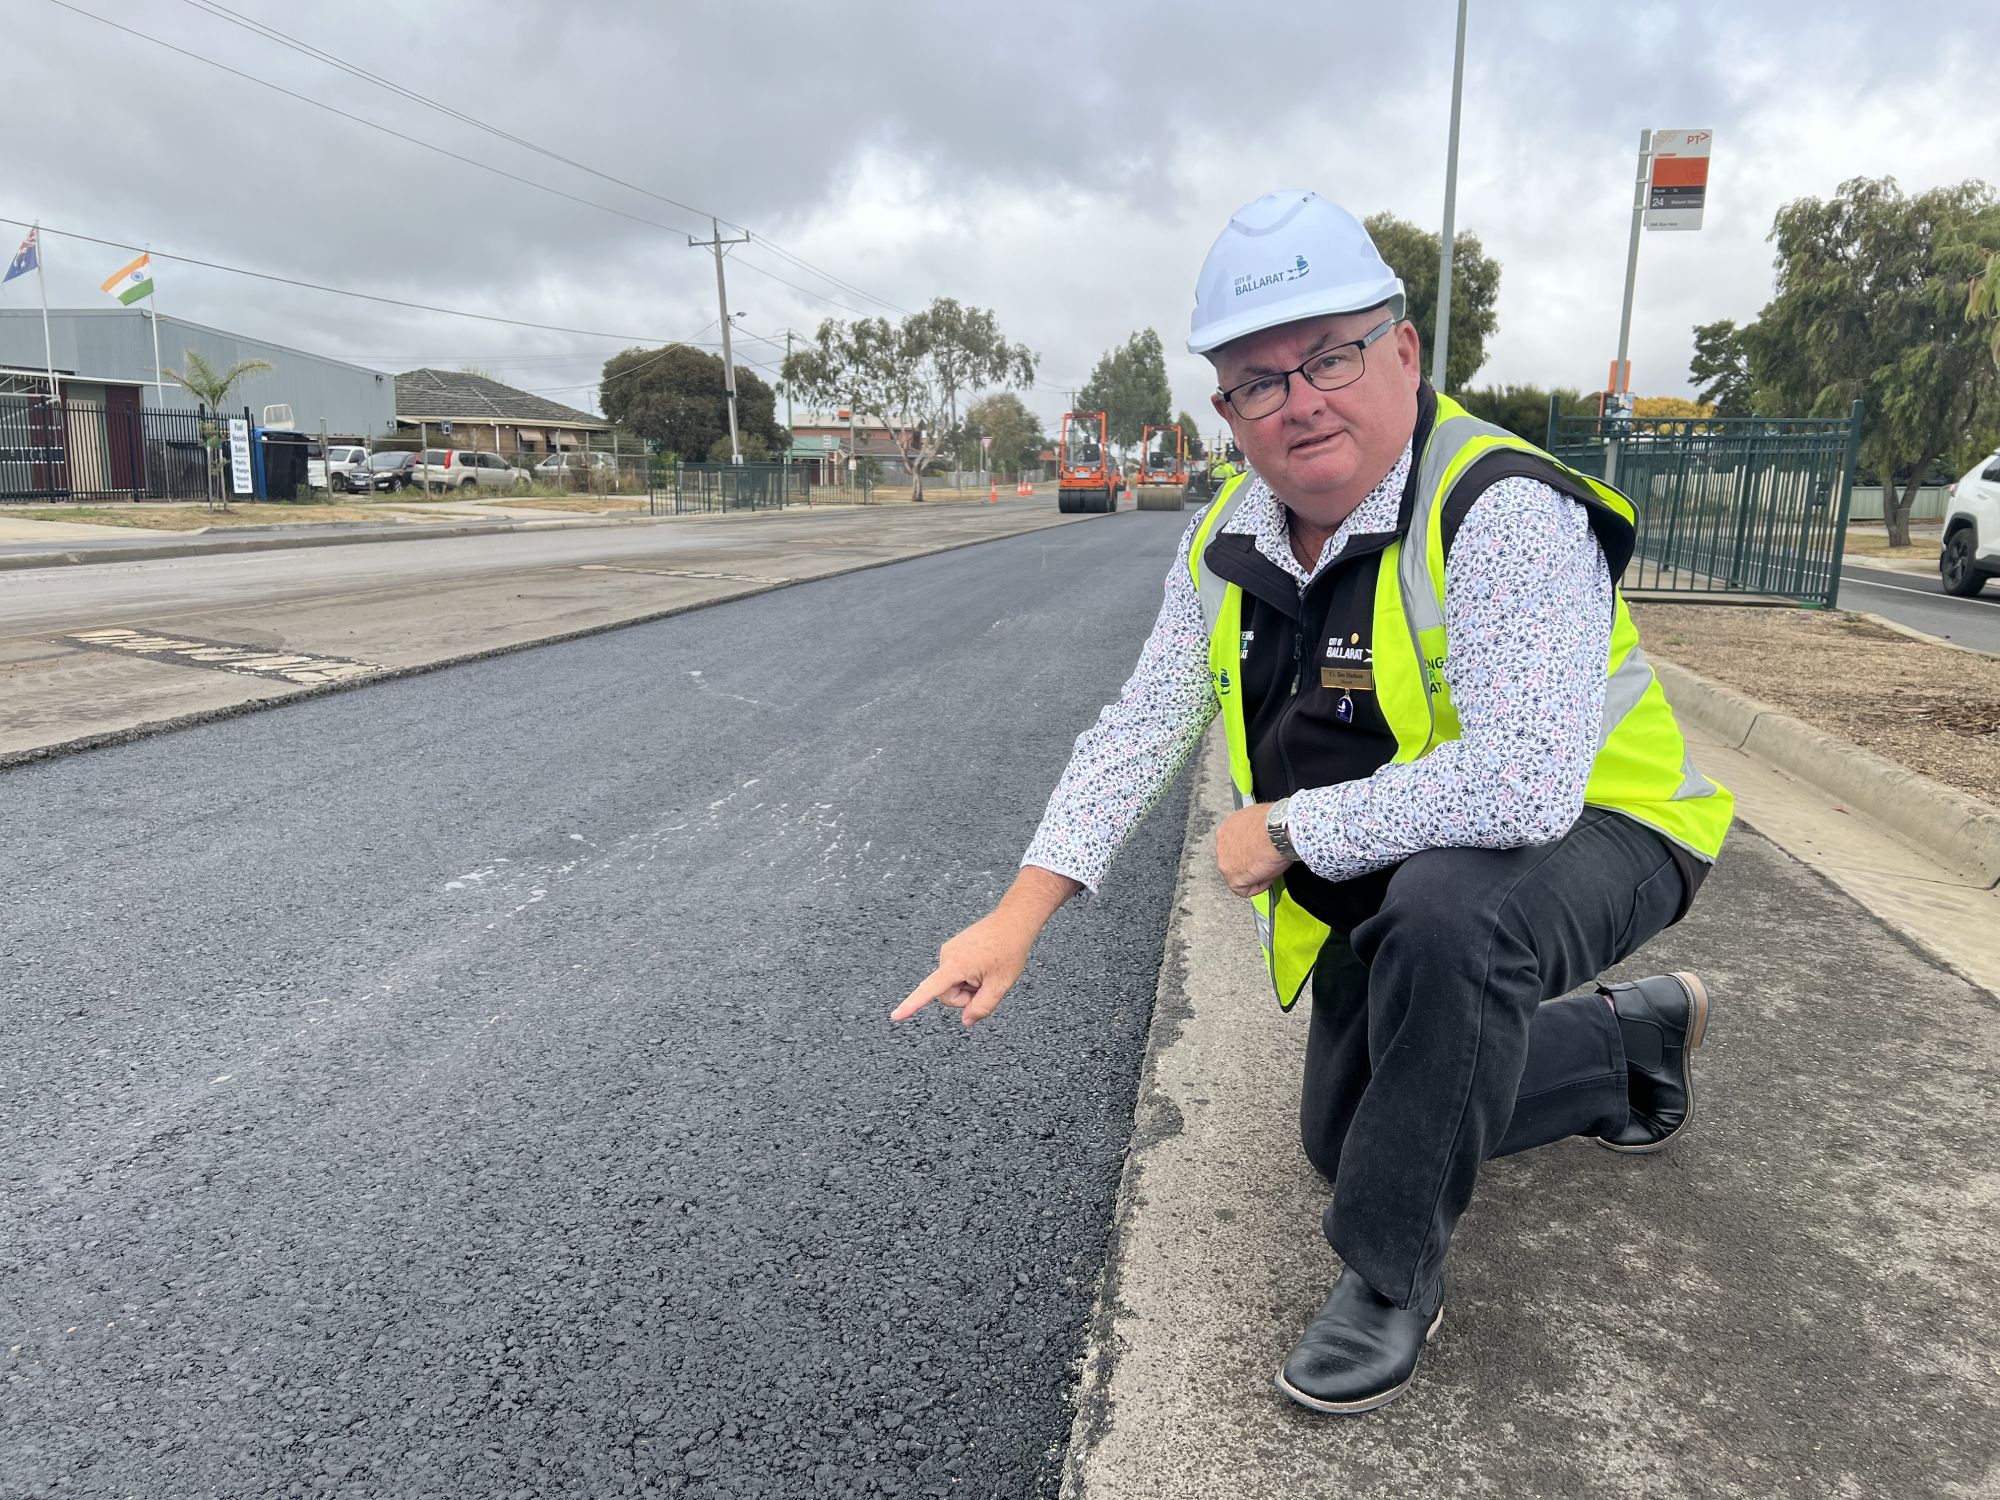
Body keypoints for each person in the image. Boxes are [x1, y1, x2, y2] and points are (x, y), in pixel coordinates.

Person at [893, 191, 1732, 1415]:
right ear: (1224, 410)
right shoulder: (1227, 537)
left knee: (1453, 924)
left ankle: (1390, 1279)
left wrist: (1285, 830)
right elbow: (1142, 723)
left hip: (1608, 824)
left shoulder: (1494, 507)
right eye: (1256, 380)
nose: (1300, 400)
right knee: (1351, 1143)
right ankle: (1626, 1046)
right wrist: (1017, 914)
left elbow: (1522, 781)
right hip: (1415, 851)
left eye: (1328, 355)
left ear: (1400, 350)